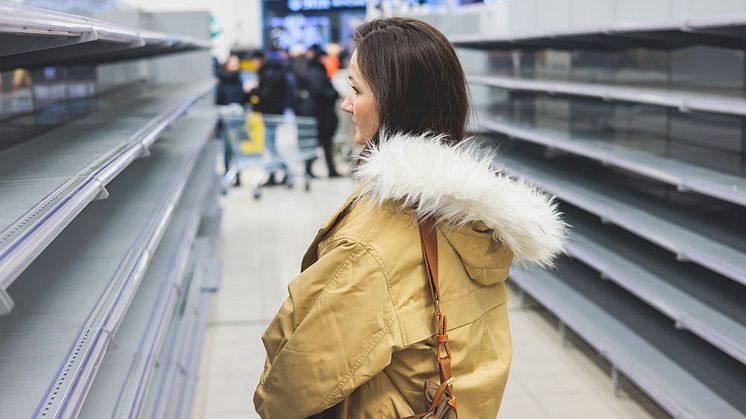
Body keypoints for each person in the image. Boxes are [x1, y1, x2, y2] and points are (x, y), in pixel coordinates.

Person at [253, 17, 567, 418]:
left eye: (356, 90)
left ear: (395, 104)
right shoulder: (470, 217)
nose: (346, 103)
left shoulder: (372, 244)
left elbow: (292, 390)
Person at [304, 47, 341, 178]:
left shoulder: (315, 71)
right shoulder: (317, 73)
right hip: (321, 115)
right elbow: (320, 92)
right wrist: (334, 94)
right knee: (320, 142)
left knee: (322, 143)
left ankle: (329, 169)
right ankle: (310, 170)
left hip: (319, 115)